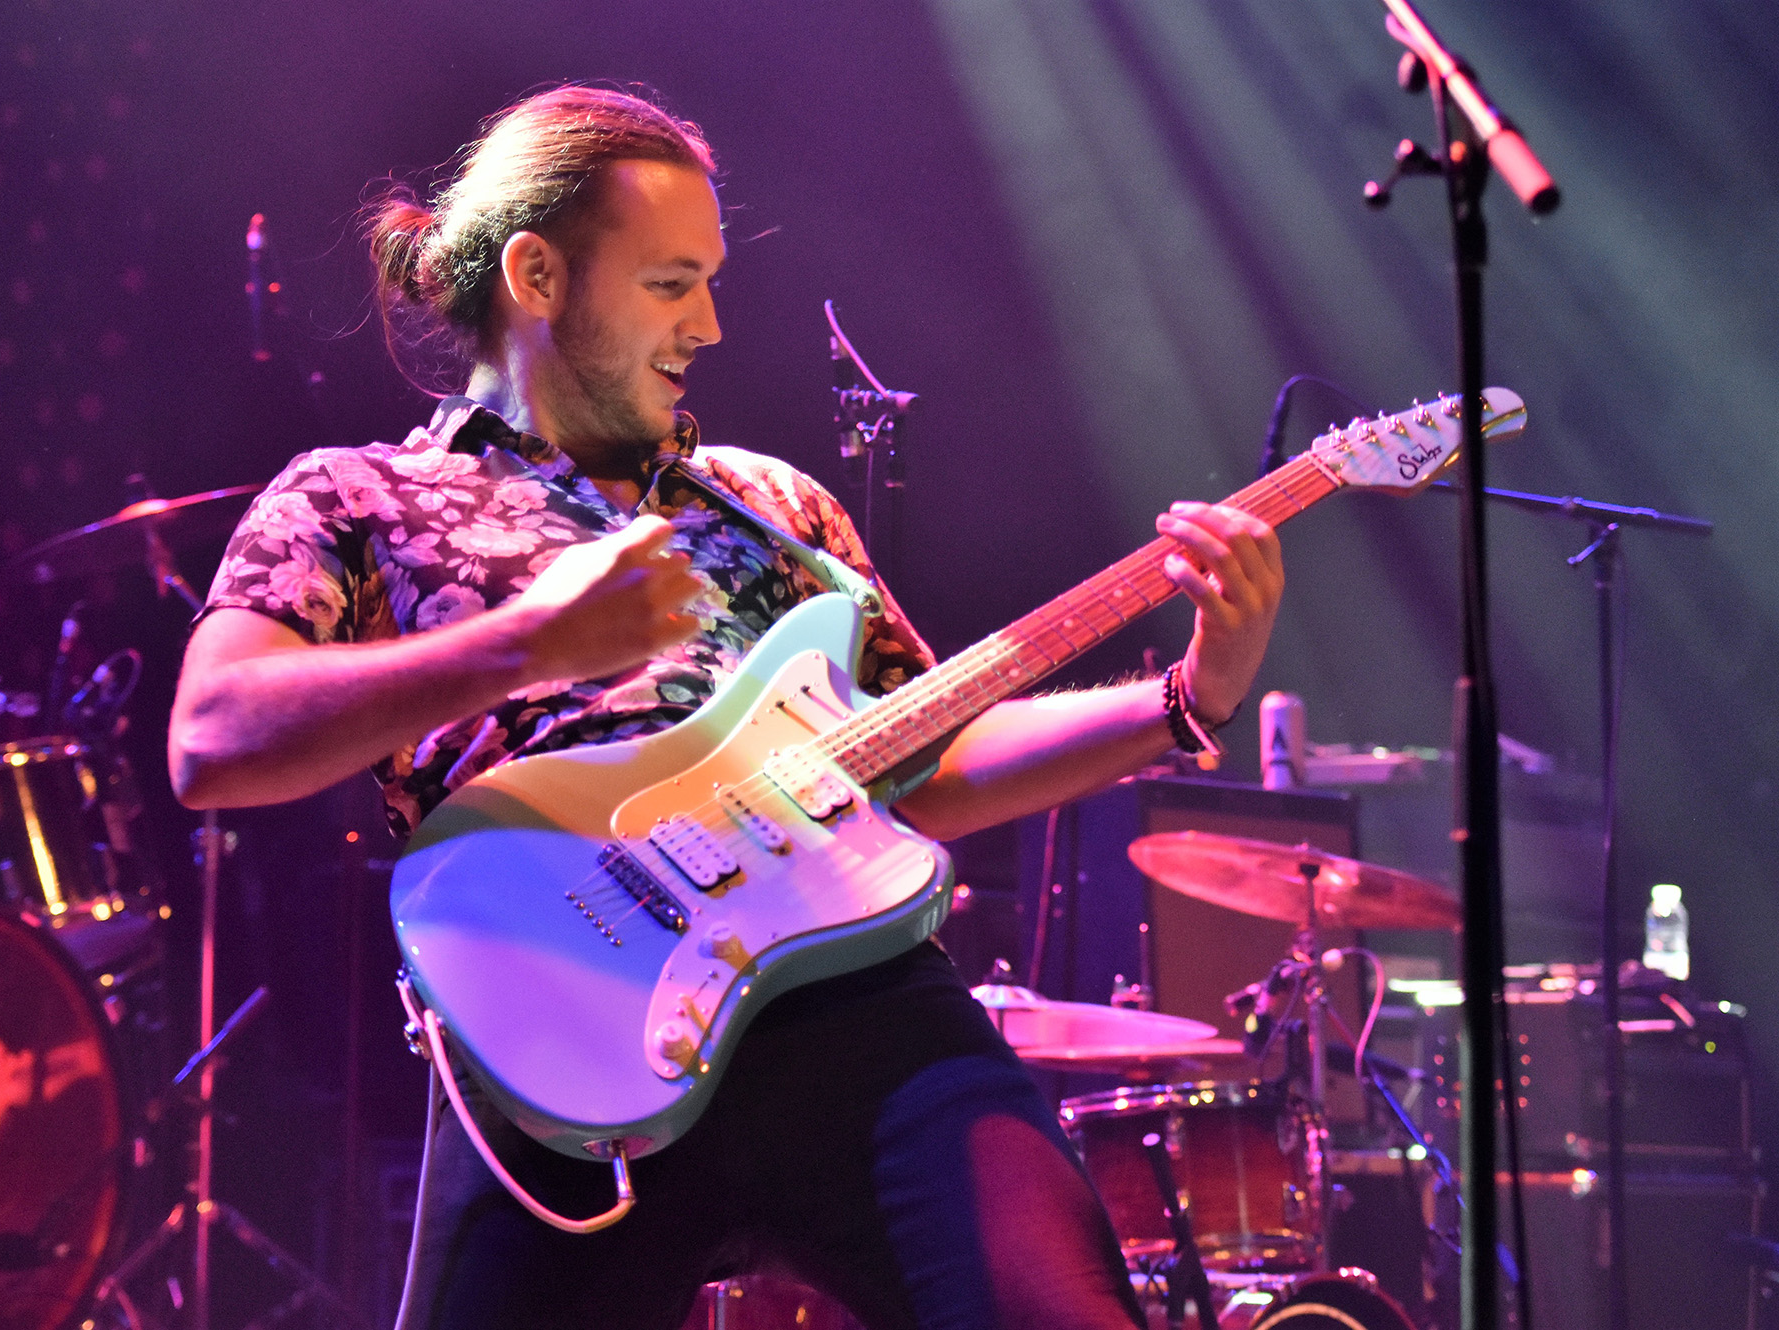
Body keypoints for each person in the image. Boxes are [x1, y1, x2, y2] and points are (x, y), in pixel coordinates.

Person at [168, 85, 1283, 1330]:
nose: (706, 324)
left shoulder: (772, 504)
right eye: (669, 284)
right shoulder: (355, 495)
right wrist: (519, 644)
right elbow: (214, 737)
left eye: (706, 283)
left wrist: (1188, 694)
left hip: (855, 1003)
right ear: (536, 276)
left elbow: (927, 761)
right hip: (562, 1027)